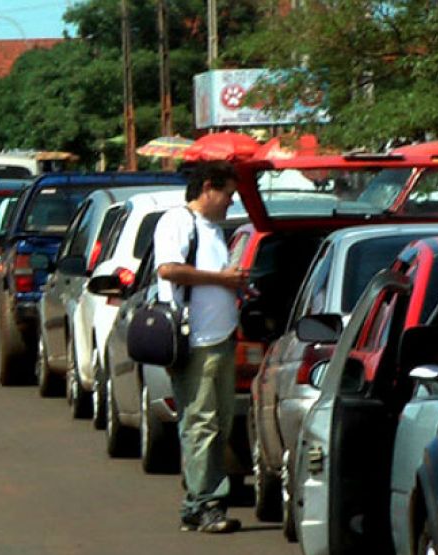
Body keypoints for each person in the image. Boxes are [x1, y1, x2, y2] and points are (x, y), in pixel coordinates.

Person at [152, 161, 247, 534]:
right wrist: (223, 279)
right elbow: (169, 270)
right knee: (202, 424)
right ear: (208, 187)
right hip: (195, 341)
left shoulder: (212, 229)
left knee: (218, 423)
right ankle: (205, 504)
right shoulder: (178, 221)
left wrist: (234, 284)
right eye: (228, 195)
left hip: (220, 338)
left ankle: (199, 502)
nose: (230, 203)